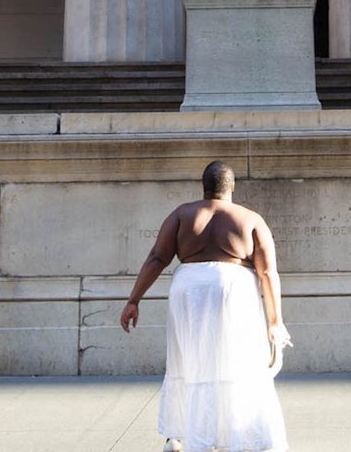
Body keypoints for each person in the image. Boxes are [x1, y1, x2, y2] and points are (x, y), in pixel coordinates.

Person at [120, 160, 291, 452]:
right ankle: (236, 436)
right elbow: (267, 272)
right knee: (237, 361)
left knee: (190, 361)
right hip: (232, 286)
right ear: (232, 187)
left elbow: (156, 258)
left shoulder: (183, 214)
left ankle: (181, 435)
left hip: (188, 289)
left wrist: (133, 299)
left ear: (204, 187)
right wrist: (275, 321)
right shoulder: (250, 218)